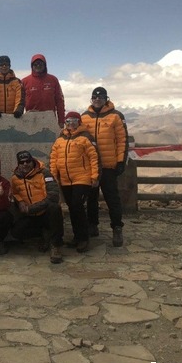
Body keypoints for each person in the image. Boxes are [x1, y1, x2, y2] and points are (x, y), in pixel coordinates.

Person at [81, 87, 128, 247]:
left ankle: (117, 228)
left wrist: (121, 161)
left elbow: (122, 140)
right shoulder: (84, 117)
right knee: (91, 198)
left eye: (100, 97)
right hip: (91, 166)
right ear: (91, 99)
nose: (97, 99)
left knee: (112, 198)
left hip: (109, 165)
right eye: (94, 97)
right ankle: (92, 225)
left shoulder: (116, 116)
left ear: (106, 99)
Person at [50, 112, 100, 253]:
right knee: (72, 208)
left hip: (82, 178)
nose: (71, 123)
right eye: (68, 121)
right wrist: (54, 175)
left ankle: (83, 238)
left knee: (78, 206)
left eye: (74, 120)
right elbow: (54, 158)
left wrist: (95, 176)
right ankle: (77, 237)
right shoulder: (60, 139)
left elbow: (94, 158)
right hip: (66, 180)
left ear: (79, 122)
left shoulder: (86, 137)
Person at [10, 151, 64, 264]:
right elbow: (15, 193)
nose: (25, 164)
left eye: (28, 161)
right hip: (31, 216)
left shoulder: (45, 173)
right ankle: (44, 234)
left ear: (32, 161)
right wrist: (20, 201)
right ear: (18, 164)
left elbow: (53, 196)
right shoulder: (15, 178)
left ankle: (56, 245)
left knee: (55, 208)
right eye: (22, 162)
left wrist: (31, 209)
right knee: (16, 232)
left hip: (45, 212)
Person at [22, 54, 65, 128]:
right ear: (32, 66)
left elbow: (59, 101)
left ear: (45, 65)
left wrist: (61, 121)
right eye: (35, 64)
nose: (38, 66)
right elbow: (20, 102)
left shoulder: (53, 79)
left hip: (49, 118)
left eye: (40, 64)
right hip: (31, 119)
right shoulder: (24, 81)